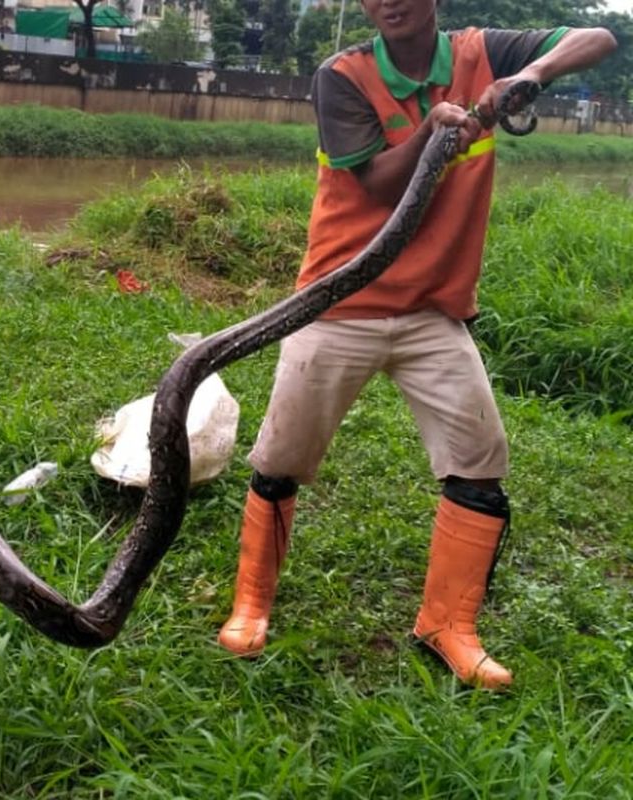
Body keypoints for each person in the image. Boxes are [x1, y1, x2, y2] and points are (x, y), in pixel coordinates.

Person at [216, 3, 616, 691]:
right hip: (339, 299)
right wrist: (434, 133)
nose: (389, 1)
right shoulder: (343, 75)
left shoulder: (480, 50)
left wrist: (531, 73)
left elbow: (601, 36)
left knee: (479, 466)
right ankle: (251, 602)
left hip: (433, 311)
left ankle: (447, 626)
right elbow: (374, 184)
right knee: (281, 459)